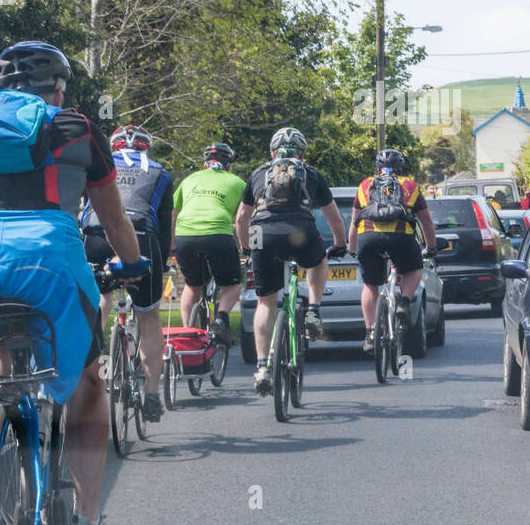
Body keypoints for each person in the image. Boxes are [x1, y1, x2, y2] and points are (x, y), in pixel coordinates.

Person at [0, 41, 148, 525]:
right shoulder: (76, 127)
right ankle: (88, 521)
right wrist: (135, 266)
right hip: (48, 255)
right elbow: (114, 217)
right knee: (88, 382)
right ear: (57, 89)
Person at [234, 128, 347, 394]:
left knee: (266, 301)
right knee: (318, 261)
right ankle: (313, 311)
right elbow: (334, 218)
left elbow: (241, 218)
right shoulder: (311, 173)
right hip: (300, 229)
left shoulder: (258, 174)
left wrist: (246, 248)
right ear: (303, 153)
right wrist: (339, 245)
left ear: (271, 153)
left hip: (263, 232)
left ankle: (262, 366)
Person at [80, 124, 172, 425]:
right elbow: (164, 227)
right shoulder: (160, 172)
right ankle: (153, 394)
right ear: (147, 148)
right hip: (141, 236)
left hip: (95, 234)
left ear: (114, 147)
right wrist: (162, 260)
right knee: (148, 315)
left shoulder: (97, 164)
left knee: (101, 294)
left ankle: (95, 344)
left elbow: (82, 208)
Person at [348, 149, 437, 353]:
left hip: (368, 238)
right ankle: (403, 303)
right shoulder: (410, 186)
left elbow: (355, 221)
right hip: (401, 239)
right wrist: (431, 248)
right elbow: (427, 223)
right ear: (400, 167)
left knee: (371, 285)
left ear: (377, 168)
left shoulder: (364, 185)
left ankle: (370, 333)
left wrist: (352, 249)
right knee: (414, 268)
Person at [171, 142, 246, 338]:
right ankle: (220, 319)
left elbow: (173, 213)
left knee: (192, 285)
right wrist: (247, 246)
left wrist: (171, 245)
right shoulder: (238, 182)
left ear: (204, 164)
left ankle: (187, 332)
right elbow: (244, 217)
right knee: (231, 286)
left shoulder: (189, 180)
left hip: (185, 235)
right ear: (229, 165)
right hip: (217, 234)